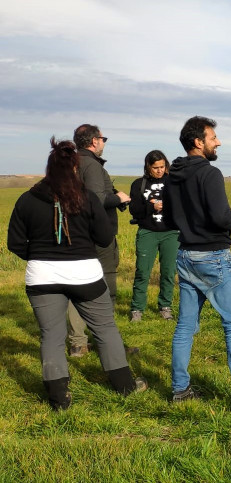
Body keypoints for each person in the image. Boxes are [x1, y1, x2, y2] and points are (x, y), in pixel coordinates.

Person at [7, 138, 146, 410]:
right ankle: (126, 387)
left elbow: (15, 243)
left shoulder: (27, 199)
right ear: (74, 169)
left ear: (49, 168)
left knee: (52, 336)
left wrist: (39, 256)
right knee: (105, 328)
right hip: (85, 276)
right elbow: (105, 237)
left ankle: (59, 399)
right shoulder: (87, 198)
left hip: (42, 278)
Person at [163, 115, 231, 411]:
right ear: (198, 142)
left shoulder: (172, 175)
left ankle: (180, 390)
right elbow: (222, 217)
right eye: (213, 137)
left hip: (185, 256)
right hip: (214, 257)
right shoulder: (210, 173)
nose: (218, 141)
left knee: (185, 326)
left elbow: (169, 219)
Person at [66, 124, 131, 357]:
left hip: (77, 234)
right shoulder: (91, 165)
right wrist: (119, 197)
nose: (103, 143)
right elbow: (96, 199)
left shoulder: (70, 163)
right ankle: (106, 342)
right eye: (103, 139)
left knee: (78, 287)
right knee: (106, 288)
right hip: (97, 235)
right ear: (94, 141)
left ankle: (78, 343)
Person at [128, 150, 180, 322]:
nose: (159, 170)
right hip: (147, 232)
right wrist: (153, 208)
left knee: (168, 272)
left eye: (162, 167)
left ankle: (165, 307)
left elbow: (183, 206)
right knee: (142, 271)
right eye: (155, 167)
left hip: (171, 233)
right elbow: (134, 210)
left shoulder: (174, 182)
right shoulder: (139, 184)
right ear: (148, 167)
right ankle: (137, 309)